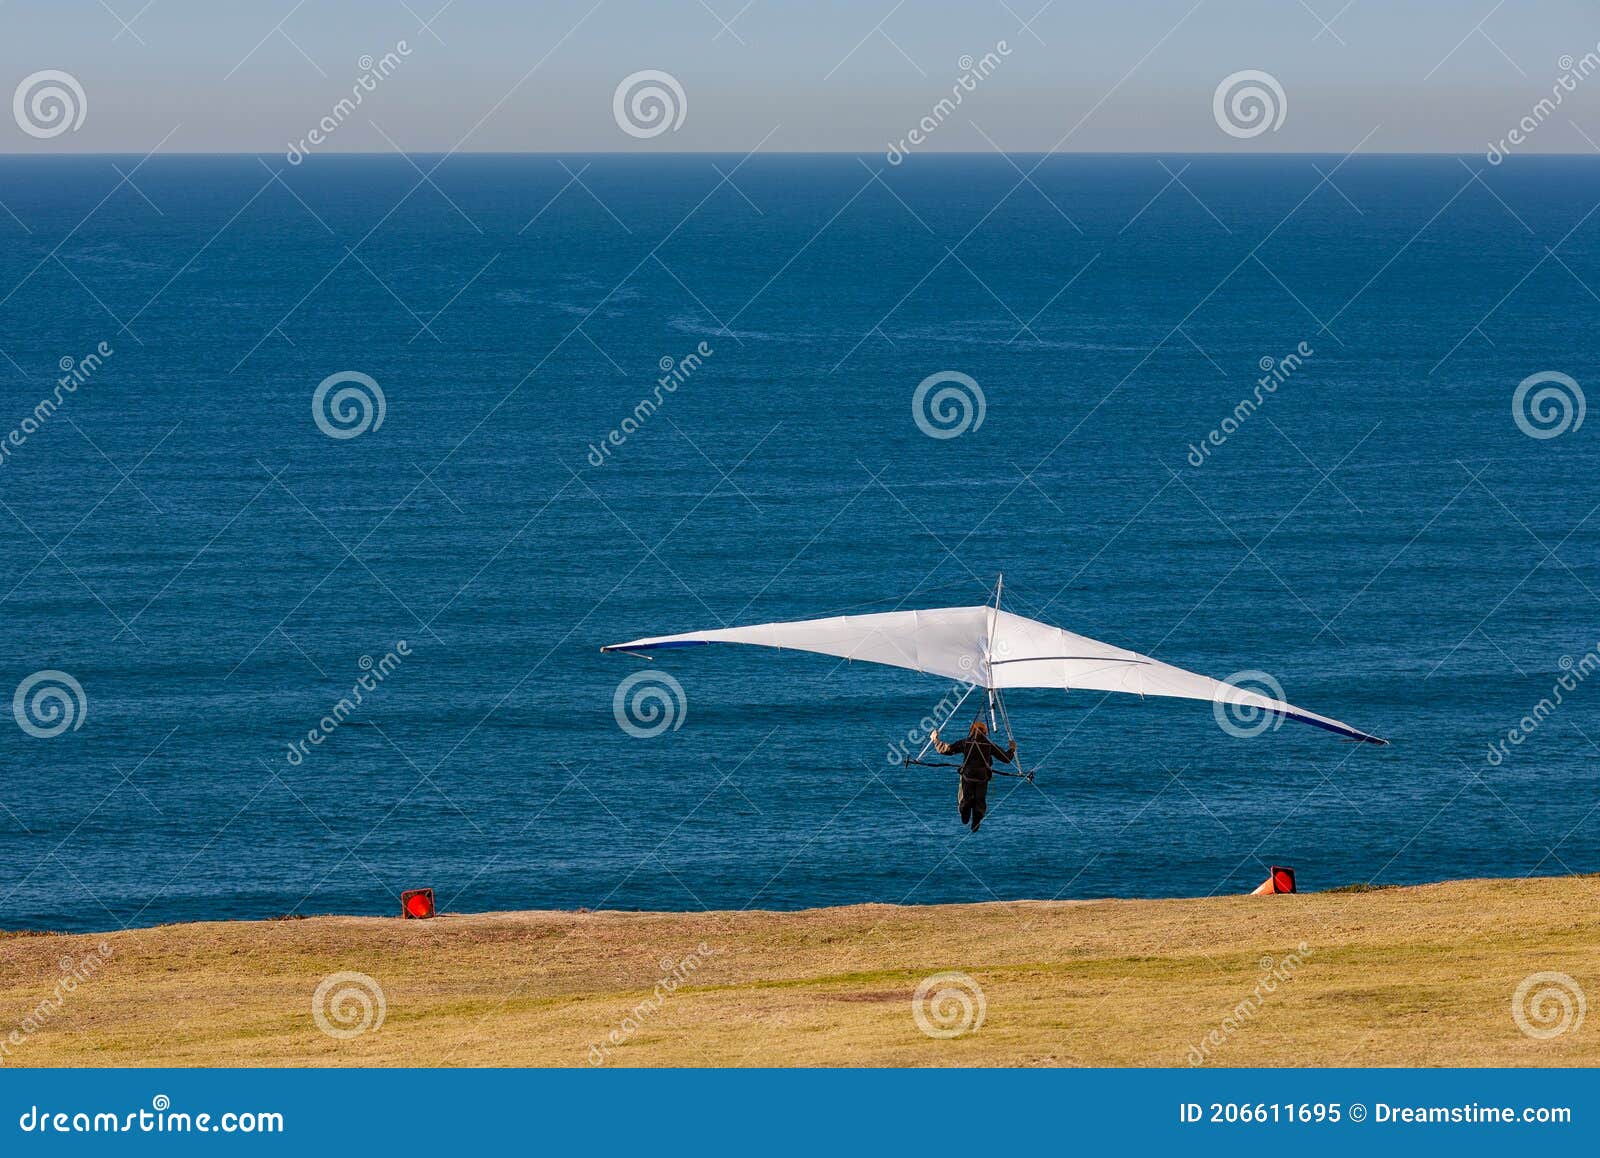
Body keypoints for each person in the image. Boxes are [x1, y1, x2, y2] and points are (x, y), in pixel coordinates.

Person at [930, 720, 1015, 832]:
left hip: (968, 775)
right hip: (982, 777)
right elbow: (1006, 758)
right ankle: (976, 820)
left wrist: (935, 740)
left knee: (966, 797)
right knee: (979, 800)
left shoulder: (966, 742)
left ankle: (965, 813)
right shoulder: (988, 745)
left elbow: (947, 749)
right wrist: (1012, 749)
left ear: (971, 731)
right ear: (984, 732)